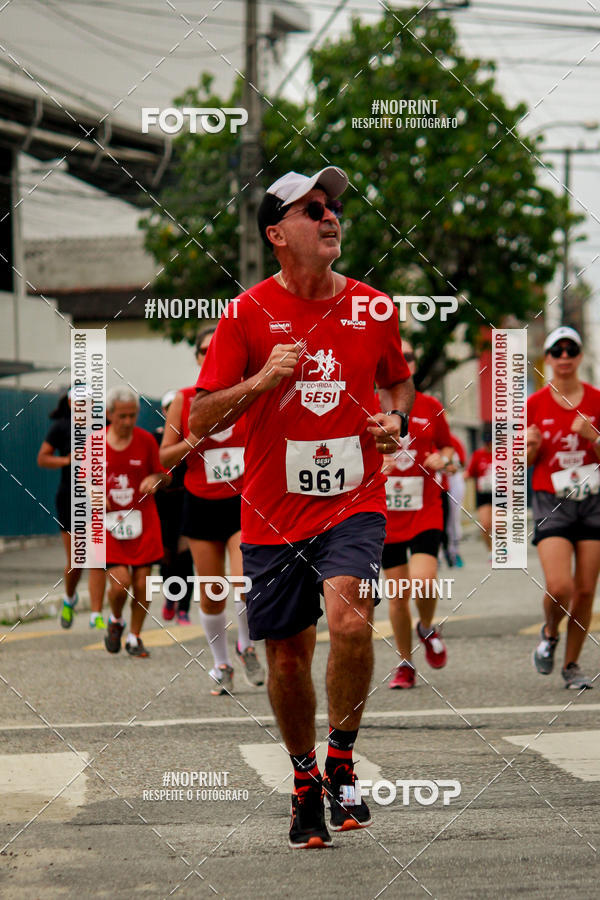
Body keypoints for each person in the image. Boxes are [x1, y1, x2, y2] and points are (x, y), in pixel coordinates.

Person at [189, 167, 414, 848]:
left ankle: (341, 758)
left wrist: (395, 423)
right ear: (277, 234)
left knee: (350, 623)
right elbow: (200, 415)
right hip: (271, 513)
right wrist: (261, 379)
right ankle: (304, 779)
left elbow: (399, 386)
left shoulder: (375, 308)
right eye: (312, 208)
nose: (330, 215)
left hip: (354, 500)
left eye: (334, 206)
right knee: (287, 658)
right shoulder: (245, 313)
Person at [160, 328, 265, 694]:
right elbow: (165, 456)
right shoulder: (186, 399)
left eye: (216, 349)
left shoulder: (248, 393)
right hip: (201, 504)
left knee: (245, 580)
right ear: (197, 358)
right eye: (203, 350)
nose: (209, 355)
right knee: (211, 593)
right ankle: (221, 664)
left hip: (241, 502)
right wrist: (192, 441)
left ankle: (246, 646)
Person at [528, 326, 600, 690]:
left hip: (593, 501)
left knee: (585, 590)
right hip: (551, 500)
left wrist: (594, 438)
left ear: (580, 356)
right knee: (560, 587)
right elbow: (516, 463)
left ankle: (571, 665)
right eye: (557, 351)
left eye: (572, 350)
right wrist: (529, 448)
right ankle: (550, 631)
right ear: (548, 358)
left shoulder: (597, 400)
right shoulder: (533, 404)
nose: (565, 357)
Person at [381, 339, 455, 689]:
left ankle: (426, 627)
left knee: (423, 581)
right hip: (384, 514)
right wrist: (375, 466)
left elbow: (449, 447)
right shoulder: (364, 405)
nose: (403, 361)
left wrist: (444, 459)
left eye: (408, 356)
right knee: (397, 595)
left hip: (425, 508)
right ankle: (405, 663)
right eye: (395, 356)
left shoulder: (430, 406)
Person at [98, 388, 171, 658]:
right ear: (109, 415)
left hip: (143, 522)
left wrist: (156, 479)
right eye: (122, 416)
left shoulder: (147, 441)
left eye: (132, 415)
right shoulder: (95, 444)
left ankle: (134, 637)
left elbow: (165, 475)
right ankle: (116, 620)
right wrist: (93, 492)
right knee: (120, 584)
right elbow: (81, 482)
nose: (128, 422)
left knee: (142, 584)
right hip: (109, 526)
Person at [37, 391, 106, 629]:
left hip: (97, 498)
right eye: (80, 402)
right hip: (70, 497)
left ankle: (96, 614)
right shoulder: (61, 427)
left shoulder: (102, 426)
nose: (85, 406)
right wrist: (67, 460)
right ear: (70, 402)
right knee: (77, 559)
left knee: (98, 557)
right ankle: (69, 598)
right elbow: (42, 458)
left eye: (88, 402)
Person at [153, 390, 194, 624]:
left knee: (185, 556)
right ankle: (171, 596)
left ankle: (184, 610)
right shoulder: (155, 438)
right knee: (166, 558)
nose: (173, 412)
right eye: (169, 408)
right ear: (164, 411)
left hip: (187, 500)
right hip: (162, 503)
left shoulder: (192, 436)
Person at [465, 424, 493, 556]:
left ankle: (502, 548)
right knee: (485, 524)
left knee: (499, 525)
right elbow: (470, 473)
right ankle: (491, 550)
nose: (489, 446)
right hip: (483, 494)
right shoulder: (478, 455)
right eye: (487, 443)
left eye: (491, 443)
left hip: (501, 494)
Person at [442, 433, 466, 568]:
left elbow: (462, 463)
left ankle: (454, 552)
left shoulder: (454, 441)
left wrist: (452, 466)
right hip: (435, 481)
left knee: (453, 519)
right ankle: (437, 554)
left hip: (453, 481)